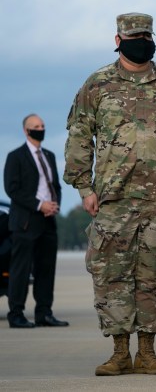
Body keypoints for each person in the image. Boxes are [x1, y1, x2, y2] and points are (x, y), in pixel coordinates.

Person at [64, 13, 156, 376]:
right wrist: (84, 187)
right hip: (112, 198)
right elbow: (79, 136)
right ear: (118, 38)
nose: (141, 40)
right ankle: (119, 352)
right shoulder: (97, 84)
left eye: (146, 34)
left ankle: (148, 352)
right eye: (134, 35)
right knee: (112, 275)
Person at [4, 114, 68, 328]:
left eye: (42, 126)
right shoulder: (16, 156)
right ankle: (16, 314)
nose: (40, 129)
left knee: (46, 269)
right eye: (36, 126)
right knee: (20, 270)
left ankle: (44, 313)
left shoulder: (49, 155)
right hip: (25, 222)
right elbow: (12, 189)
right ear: (26, 130)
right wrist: (40, 205)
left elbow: (55, 186)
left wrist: (55, 204)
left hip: (48, 221)